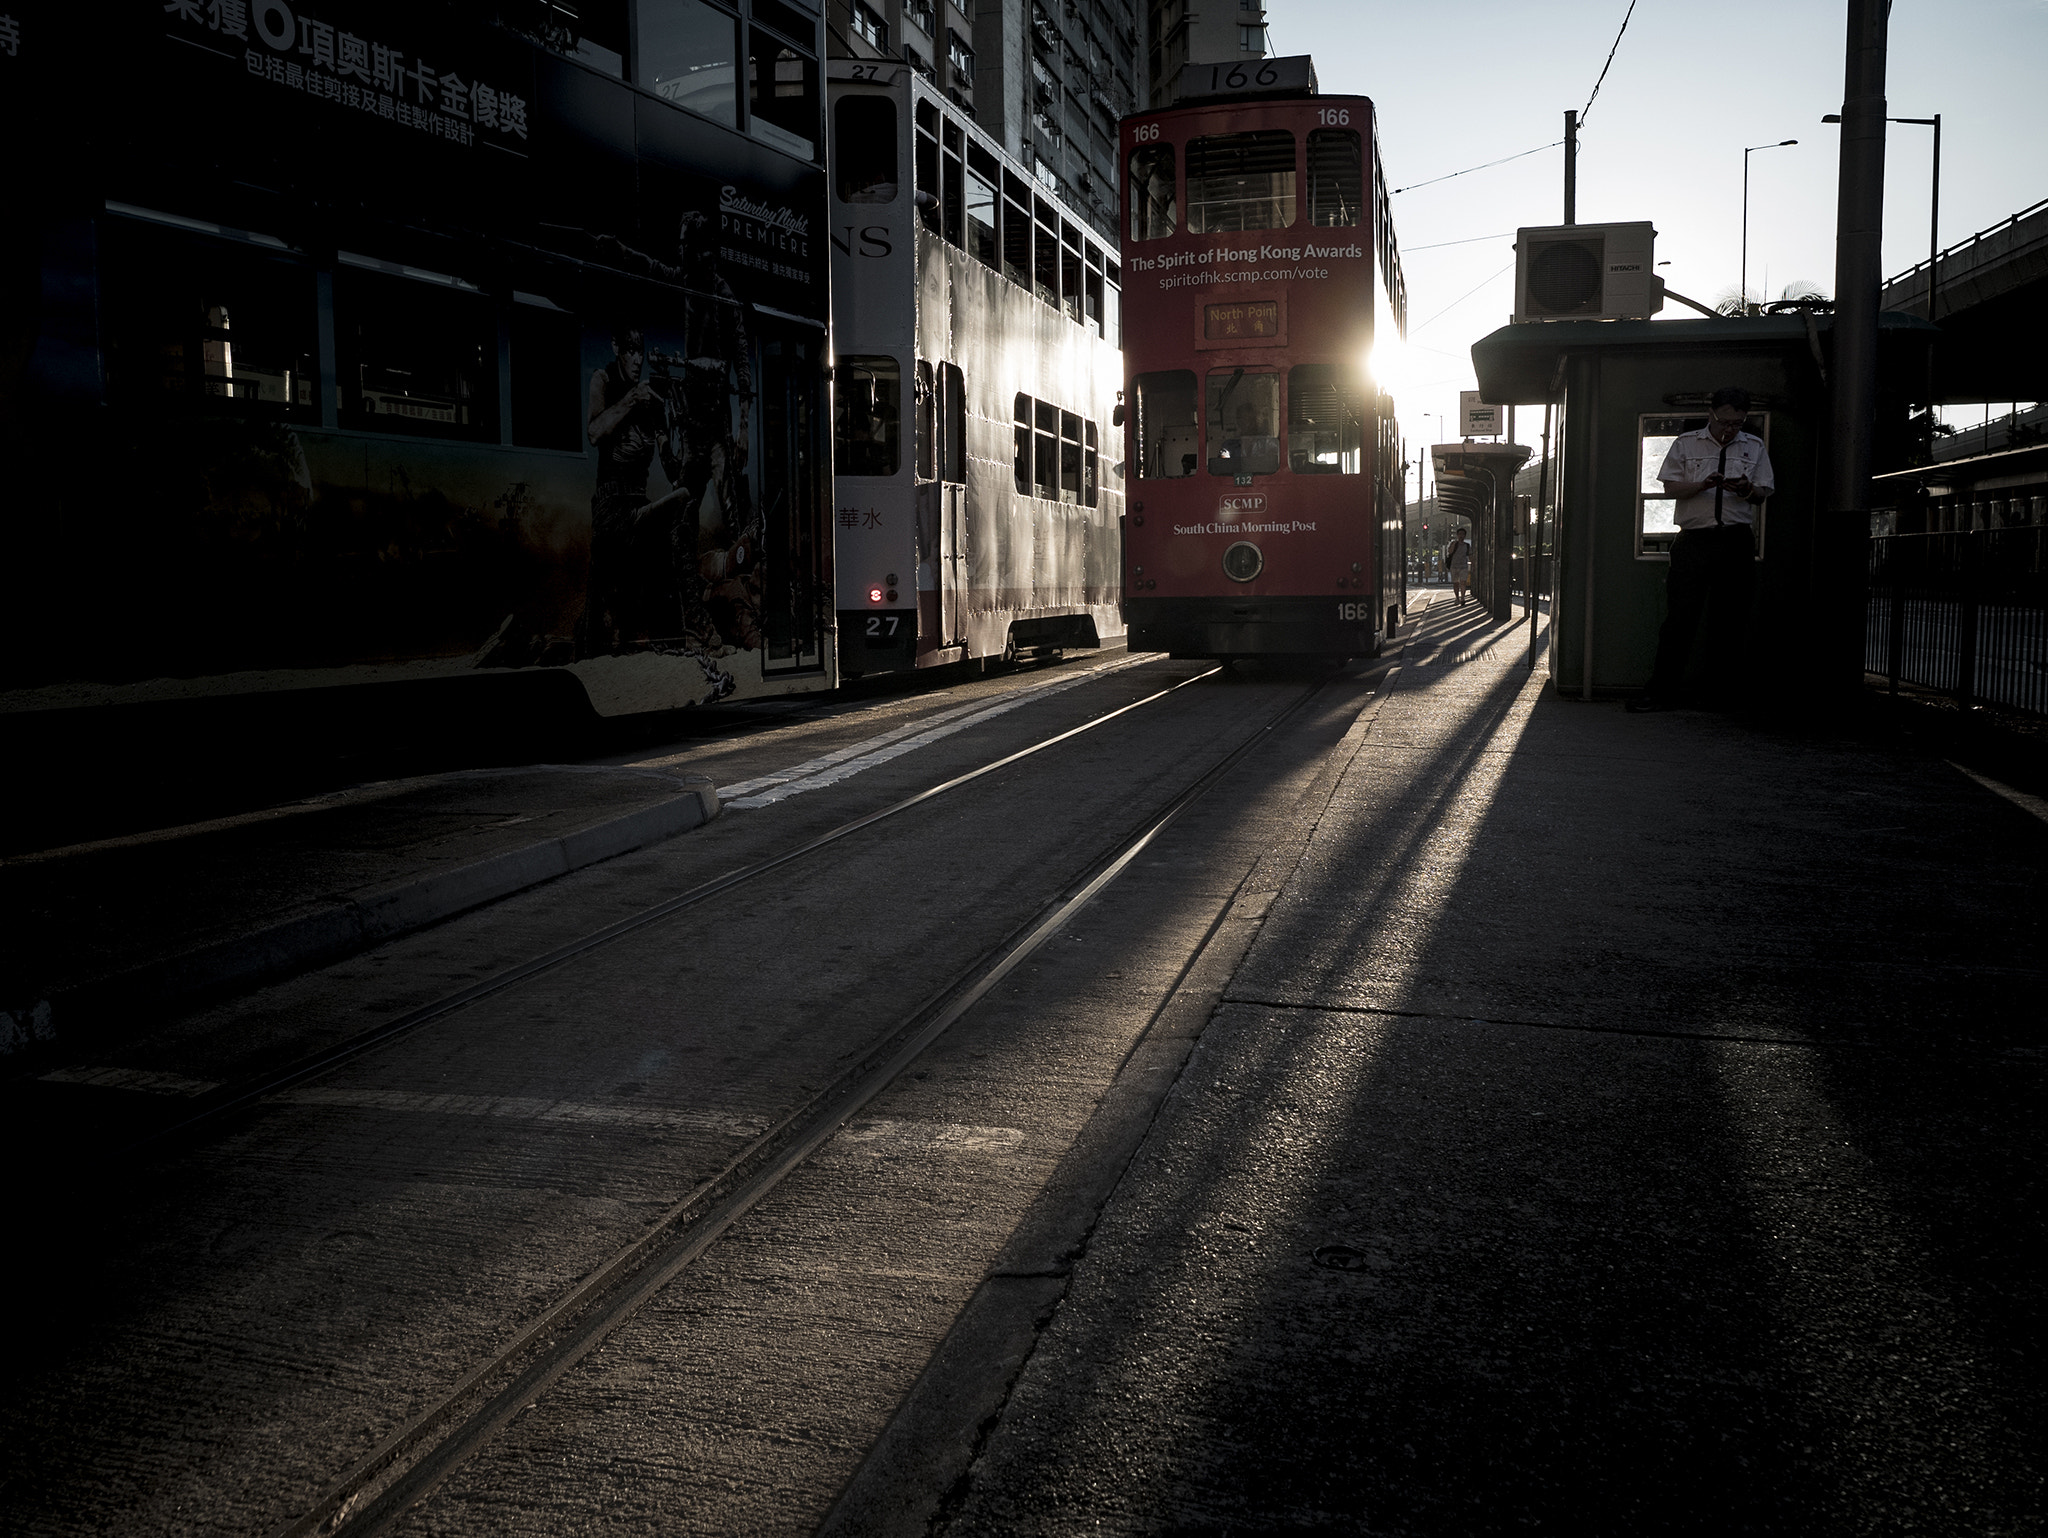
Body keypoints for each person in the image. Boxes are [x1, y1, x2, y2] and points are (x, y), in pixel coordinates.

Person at [1628, 385, 1774, 712]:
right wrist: (1702, 485)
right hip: (1694, 541)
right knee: (1680, 619)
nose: (1729, 429)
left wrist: (1747, 489)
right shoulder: (1686, 444)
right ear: (1712, 414)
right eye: (1724, 422)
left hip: (1735, 539)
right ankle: (1662, 691)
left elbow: (1763, 493)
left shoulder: (1754, 446)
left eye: (1736, 423)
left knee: (1730, 620)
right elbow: (1670, 487)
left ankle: (1721, 694)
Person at [1444, 527, 1473, 604]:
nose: (1461, 536)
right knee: (1456, 583)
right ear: (1457, 535)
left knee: (1463, 582)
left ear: (1465, 535)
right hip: (1454, 566)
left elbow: (1470, 556)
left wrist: (1473, 564)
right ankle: (1457, 597)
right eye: (1459, 534)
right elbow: (1450, 552)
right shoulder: (1454, 544)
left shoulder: (1467, 545)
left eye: (1463, 534)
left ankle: (1462, 598)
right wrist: (1453, 544)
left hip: (1463, 566)